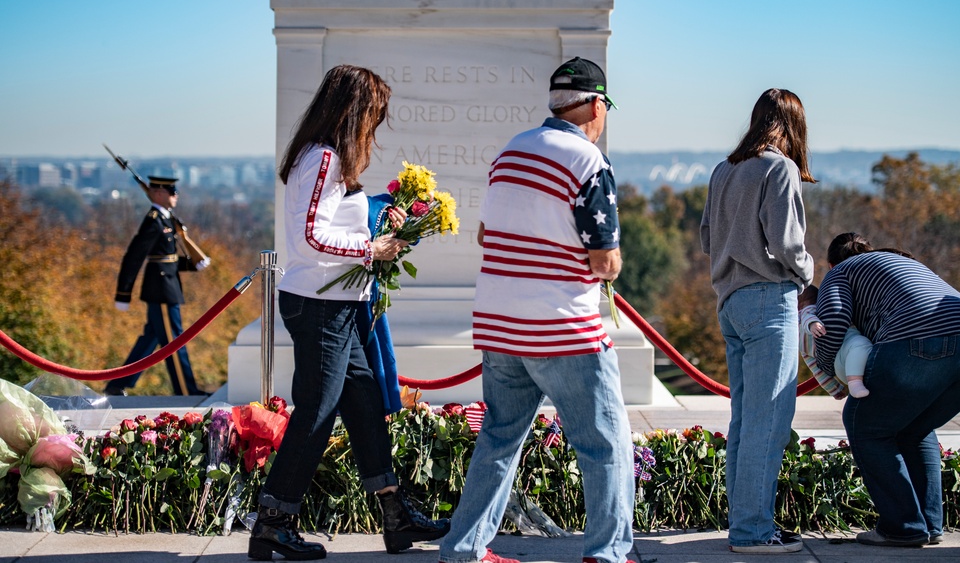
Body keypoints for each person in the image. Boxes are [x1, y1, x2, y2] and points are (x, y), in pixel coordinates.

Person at [437, 58, 635, 563]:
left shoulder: (511, 152)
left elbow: (486, 234)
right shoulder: (589, 162)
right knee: (605, 445)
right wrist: (607, 266)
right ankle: (608, 553)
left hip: (501, 325)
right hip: (563, 328)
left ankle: (463, 549)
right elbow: (605, 260)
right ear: (595, 105)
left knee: (500, 438)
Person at [248, 65, 449, 561]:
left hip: (336, 306)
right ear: (354, 110)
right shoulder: (323, 157)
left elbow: (332, 222)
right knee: (317, 411)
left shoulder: (328, 159)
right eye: (374, 116)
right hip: (318, 306)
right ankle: (273, 521)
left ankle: (396, 515)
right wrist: (370, 248)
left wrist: (384, 217)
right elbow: (309, 237)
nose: (374, 129)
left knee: (362, 403)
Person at [814, 232, 960, 547]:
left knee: (865, 424)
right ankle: (928, 524)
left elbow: (833, 318)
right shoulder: (900, 262)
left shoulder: (840, 273)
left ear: (830, 264)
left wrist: (826, 368)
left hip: (921, 337)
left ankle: (902, 526)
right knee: (915, 426)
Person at [699, 88, 814, 554]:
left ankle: (746, 523)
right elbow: (787, 244)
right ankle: (752, 532)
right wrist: (809, 272)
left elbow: (709, 239)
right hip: (769, 300)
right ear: (790, 126)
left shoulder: (723, 170)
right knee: (768, 424)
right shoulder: (778, 168)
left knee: (746, 421)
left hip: (730, 301)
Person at [105, 176, 210, 397]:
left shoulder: (166, 219)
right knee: (175, 341)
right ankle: (186, 390)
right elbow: (134, 257)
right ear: (159, 194)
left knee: (150, 339)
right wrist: (123, 293)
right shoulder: (154, 221)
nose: (176, 196)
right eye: (172, 192)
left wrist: (194, 263)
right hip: (162, 290)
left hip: (166, 286)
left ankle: (117, 384)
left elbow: (167, 259)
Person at [799, 285, 872, 398]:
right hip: (848, 348)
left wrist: (834, 389)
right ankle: (855, 383)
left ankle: (854, 382)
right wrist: (812, 323)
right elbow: (808, 316)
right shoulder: (814, 309)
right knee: (861, 343)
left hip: (840, 369)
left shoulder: (800, 343)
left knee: (859, 346)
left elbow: (817, 368)